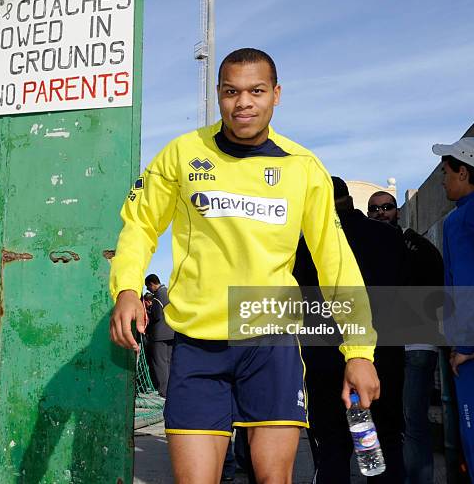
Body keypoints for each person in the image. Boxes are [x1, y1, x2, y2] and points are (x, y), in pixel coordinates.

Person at [109, 48, 380, 484]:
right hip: (198, 343)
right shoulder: (180, 154)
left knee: (273, 478)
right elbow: (140, 226)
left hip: (271, 341)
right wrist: (125, 289)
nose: (244, 103)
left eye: (256, 91)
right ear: (219, 94)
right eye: (231, 92)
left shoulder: (303, 167)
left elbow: (337, 263)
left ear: (276, 94)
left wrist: (359, 352)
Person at [295, 177, 407, 484]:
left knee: (333, 445)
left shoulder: (307, 244)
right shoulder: (389, 237)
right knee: (383, 442)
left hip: (327, 358)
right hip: (382, 357)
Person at [367, 191, 444, 484]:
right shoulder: (376, 247)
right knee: (393, 421)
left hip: (415, 344)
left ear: (397, 211)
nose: (380, 212)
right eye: (374, 209)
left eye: (386, 207)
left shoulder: (416, 245)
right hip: (389, 347)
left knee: (411, 423)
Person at [432, 135, 474, 484]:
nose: (443, 179)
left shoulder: (460, 221)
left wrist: (464, 348)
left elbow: (465, 286)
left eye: (446, 172)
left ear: (463, 172)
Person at [144, 274, 174, 397]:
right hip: (171, 333)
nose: (148, 290)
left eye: (148, 287)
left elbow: (156, 316)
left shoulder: (158, 296)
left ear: (152, 284)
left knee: (160, 363)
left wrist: (147, 313)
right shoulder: (169, 292)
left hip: (159, 335)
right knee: (169, 362)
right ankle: (171, 389)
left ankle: (163, 391)